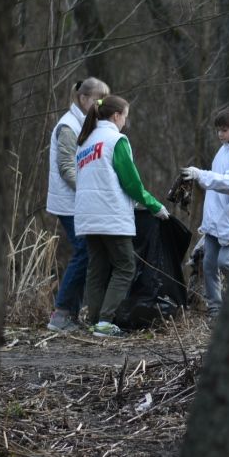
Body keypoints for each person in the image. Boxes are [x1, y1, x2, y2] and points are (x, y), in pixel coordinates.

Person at [74, 94, 168, 337]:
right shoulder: (117, 141)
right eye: (125, 115)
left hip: (87, 216)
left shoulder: (85, 143)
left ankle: (94, 321)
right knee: (125, 266)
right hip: (111, 216)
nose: (126, 121)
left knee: (96, 269)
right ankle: (105, 322)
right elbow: (131, 182)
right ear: (116, 116)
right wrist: (154, 205)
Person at [44, 77, 109, 331]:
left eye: (103, 101)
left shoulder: (85, 123)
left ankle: (70, 314)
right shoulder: (68, 126)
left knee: (88, 253)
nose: (100, 105)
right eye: (97, 100)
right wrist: (86, 191)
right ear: (83, 99)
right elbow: (66, 168)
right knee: (84, 252)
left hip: (80, 201)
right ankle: (61, 315)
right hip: (70, 203)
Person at [181, 106, 229, 318]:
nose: (219, 134)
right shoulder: (223, 149)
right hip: (215, 220)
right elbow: (217, 181)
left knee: (226, 262)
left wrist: (200, 175)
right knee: (209, 264)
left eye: (224, 130)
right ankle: (216, 309)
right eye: (218, 130)